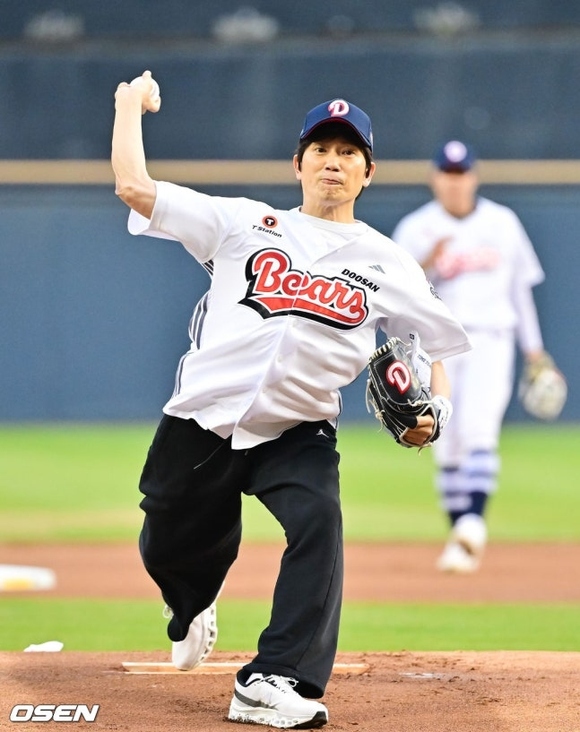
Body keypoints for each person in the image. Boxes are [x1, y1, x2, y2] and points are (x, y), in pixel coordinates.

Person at [111, 71, 470, 729]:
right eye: (321, 149)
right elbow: (135, 188)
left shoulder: (389, 263)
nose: (333, 161)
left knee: (319, 524)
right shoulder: (244, 223)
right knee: (167, 544)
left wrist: (434, 412)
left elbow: (437, 343)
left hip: (298, 427)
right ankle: (190, 604)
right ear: (297, 164)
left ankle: (273, 678)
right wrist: (128, 103)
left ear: (368, 173)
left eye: (348, 152)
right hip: (203, 418)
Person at [392, 140, 547, 574]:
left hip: (491, 340)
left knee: (479, 431)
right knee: (444, 441)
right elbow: (395, 294)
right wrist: (426, 263)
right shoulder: (415, 228)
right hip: (437, 348)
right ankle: (461, 535)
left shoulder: (503, 223)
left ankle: (472, 522)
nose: (455, 181)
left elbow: (520, 293)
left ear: (473, 177)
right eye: (448, 173)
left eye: (461, 173)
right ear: (435, 178)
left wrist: (534, 351)